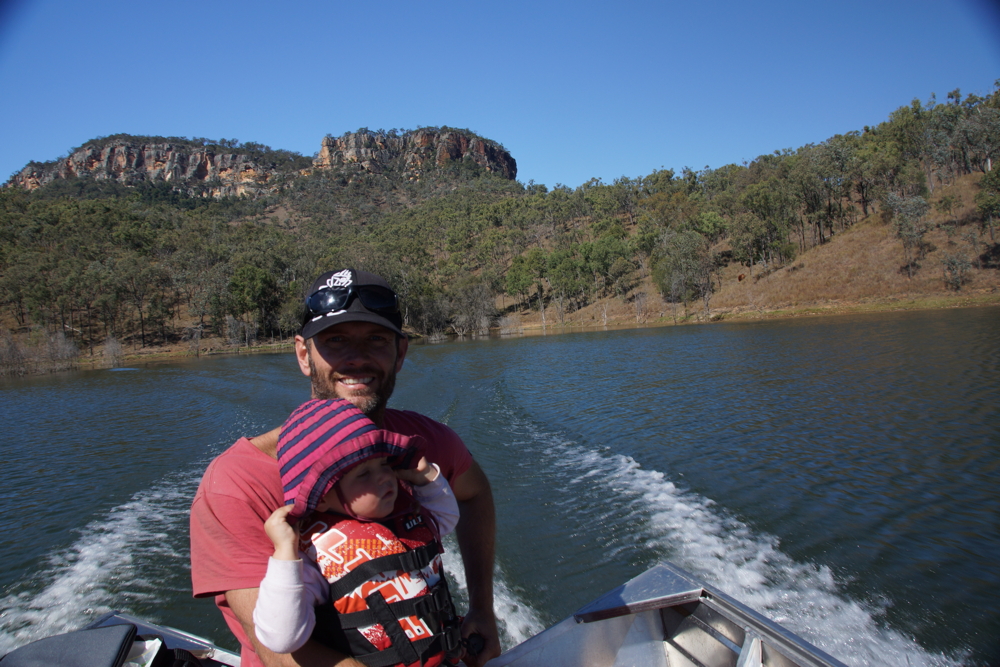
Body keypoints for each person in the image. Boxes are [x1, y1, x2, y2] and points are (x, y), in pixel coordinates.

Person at [190, 268, 499, 667]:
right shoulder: (238, 483)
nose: (357, 358)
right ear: (304, 354)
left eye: (376, 339)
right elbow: (280, 652)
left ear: (400, 353)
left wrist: (481, 608)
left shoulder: (426, 445)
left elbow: (475, 493)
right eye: (335, 341)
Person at [253, 398, 463, 667]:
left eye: (385, 464)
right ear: (321, 498)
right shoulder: (313, 556)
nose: (385, 477)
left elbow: (446, 520)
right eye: (364, 473)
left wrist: (426, 477)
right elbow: (282, 639)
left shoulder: (404, 514)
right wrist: (284, 551)